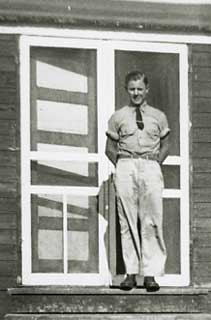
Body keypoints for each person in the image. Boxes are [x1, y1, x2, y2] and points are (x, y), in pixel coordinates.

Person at [105, 71, 170, 291]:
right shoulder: (118, 116)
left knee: (152, 220)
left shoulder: (158, 116)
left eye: (139, 89)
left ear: (146, 89)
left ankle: (150, 275)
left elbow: (166, 145)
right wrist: (123, 165)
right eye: (132, 89)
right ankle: (130, 274)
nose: (136, 93)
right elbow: (109, 149)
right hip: (126, 165)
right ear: (127, 90)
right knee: (127, 221)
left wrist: (153, 164)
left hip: (150, 165)